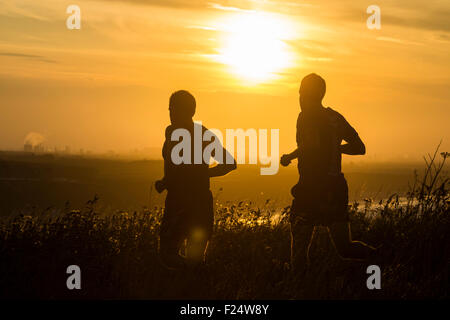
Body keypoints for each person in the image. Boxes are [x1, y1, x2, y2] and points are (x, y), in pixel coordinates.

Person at [280, 73, 376, 273]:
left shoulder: (304, 117)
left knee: (298, 253)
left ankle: (301, 290)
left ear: (304, 94)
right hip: (334, 189)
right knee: (345, 248)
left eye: (300, 92)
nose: (299, 97)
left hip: (310, 189)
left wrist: (292, 156)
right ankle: (381, 258)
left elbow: (310, 148)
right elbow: (359, 147)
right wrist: (335, 148)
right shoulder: (335, 117)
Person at [155, 90, 236, 270]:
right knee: (169, 256)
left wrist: (203, 174)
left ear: (190, 112)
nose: (171, 114)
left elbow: (230, 163)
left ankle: (193, 279)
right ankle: (191, 277)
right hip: (177, 201)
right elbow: (176, 169)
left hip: (196, 203)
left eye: (175, 110)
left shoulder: (203, 135)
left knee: (190, 258)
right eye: (170, 110)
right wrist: (165, 181)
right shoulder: (170, 134)